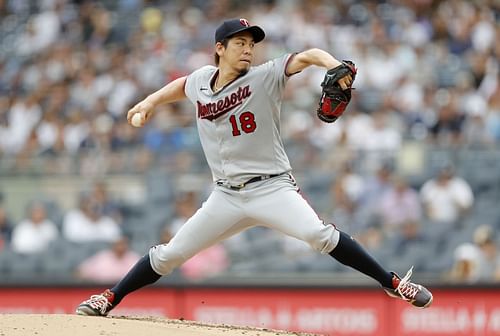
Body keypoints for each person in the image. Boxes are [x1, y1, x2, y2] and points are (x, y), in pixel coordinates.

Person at [76, 18, 433, 317]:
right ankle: (109, 298)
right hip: (225, 196)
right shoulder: (202, 79)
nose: (248, 49)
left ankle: (393, 283)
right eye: (240, 43)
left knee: (318, 235)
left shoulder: (265, 75)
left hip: (273, 188)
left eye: (251, 44)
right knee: (170, 255)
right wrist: (149, 102)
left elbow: (307, 56)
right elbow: (181, 86)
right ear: (220, 49)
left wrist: (333, 65)